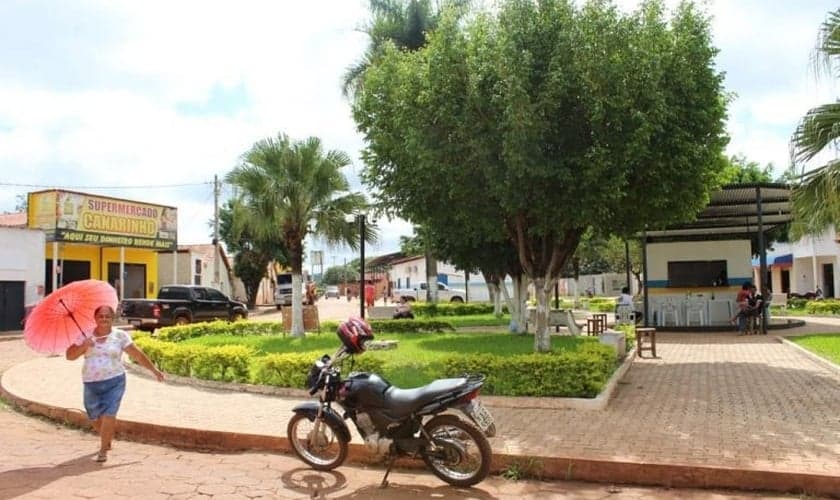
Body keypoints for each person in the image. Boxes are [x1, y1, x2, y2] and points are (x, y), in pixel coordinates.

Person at [65, 305, 164, 463]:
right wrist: (84, 345)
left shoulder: (120, 336)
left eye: (107, 316)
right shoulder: (85, 335)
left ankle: (103, 449)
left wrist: (154, 370)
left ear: (112, 319)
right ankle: (107, 436)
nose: (104, 319)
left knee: (109, 414)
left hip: (115, 380)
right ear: (95, 318)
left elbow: (137, 354)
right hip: (91, 382)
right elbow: (69, 356)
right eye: (101, 316)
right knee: (94, 416)